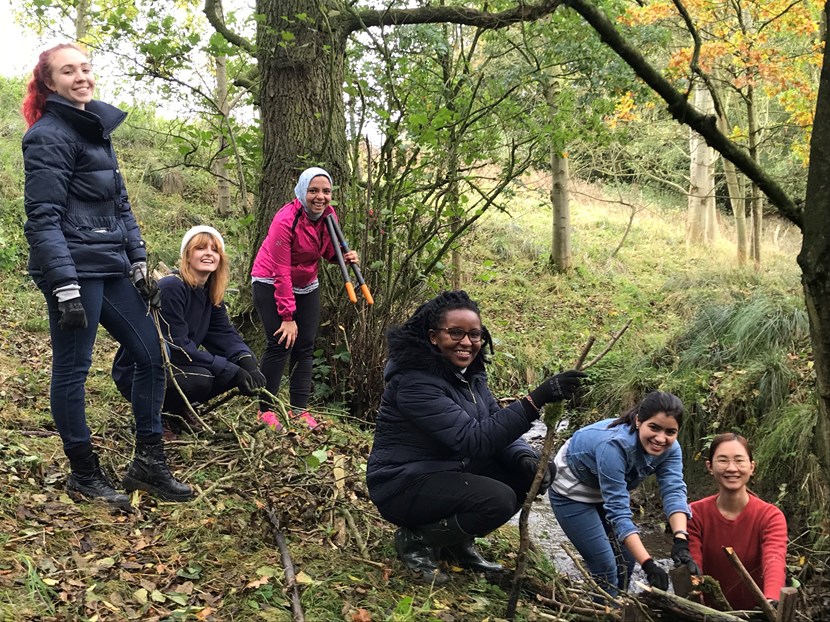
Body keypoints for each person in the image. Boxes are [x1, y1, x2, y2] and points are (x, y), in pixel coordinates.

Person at [21, 43, 192, 508]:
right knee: (73, 369)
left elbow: (119, 205)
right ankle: (83, 472)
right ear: (49, 83)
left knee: (151, 356)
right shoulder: (48, 136)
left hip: (110, 264)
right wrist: (64, 284)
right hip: (73, 269)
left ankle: (149, 464)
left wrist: (138, 260)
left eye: (85, 68)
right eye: (67, 71)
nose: (81, 77)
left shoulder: (95, 128)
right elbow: (42, 217)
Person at [366, 290, 587, 583]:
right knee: (497, 499)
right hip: (402, 483)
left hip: (447, 470)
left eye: (475, 335)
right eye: (455, 333)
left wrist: (524, 457)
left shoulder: (471, 376)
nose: (467, 343)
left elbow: (494, 421)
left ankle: (456, 544)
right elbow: (473, 439)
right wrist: (535, 401)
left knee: (533, 470)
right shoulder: (414, 382)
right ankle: (417, 540)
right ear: (433, 337)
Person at [112, 226, 267, 432]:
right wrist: (231, 369)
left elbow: (224, 334)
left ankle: (177, 410)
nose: (209, 253)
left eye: (214, 250)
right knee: (203, 379)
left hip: (175, 366)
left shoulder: (210, 293)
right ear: (187, 255)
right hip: (141, 372)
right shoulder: (171, 287)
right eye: (201, 248)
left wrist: (246, 361)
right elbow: (176, 347)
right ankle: (159, 414)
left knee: (229, 372)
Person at [548, 391, 698, 596]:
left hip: (605, 489)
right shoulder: (614, 446)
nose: (660, 438)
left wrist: (681, 540)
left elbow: (673, 490)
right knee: (605, 568)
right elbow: (619, 512)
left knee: (626, 561)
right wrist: (649, 565)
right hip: (571, 490)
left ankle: (618, 608)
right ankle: (604, 613)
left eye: (670, 432)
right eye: (654, 428)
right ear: (638, 421)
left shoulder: (671, 449)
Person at [251, 167, 358, 429]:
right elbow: (281, 271)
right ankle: (265, 410)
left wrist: (343, 257)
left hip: (307, 283)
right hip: (270, 279)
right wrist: (287, 316)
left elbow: (328, 251)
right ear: (302, 191)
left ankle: (300, 411)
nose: (320, 196)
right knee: (279, 343)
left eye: (325, 191)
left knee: (305, 346)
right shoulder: (285, 220)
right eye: (313, 191)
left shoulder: (328, 216)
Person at [688, 433, 788, 610]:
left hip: (757, 613)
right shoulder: (694, 513)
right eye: (723, 460)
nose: (732, 468)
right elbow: (692, 567)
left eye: (739, 460)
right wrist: (696, 608)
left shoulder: (770, 516)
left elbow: (774, 560)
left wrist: (771, 601)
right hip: (707, 614)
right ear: (710, 466)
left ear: (751, 467)